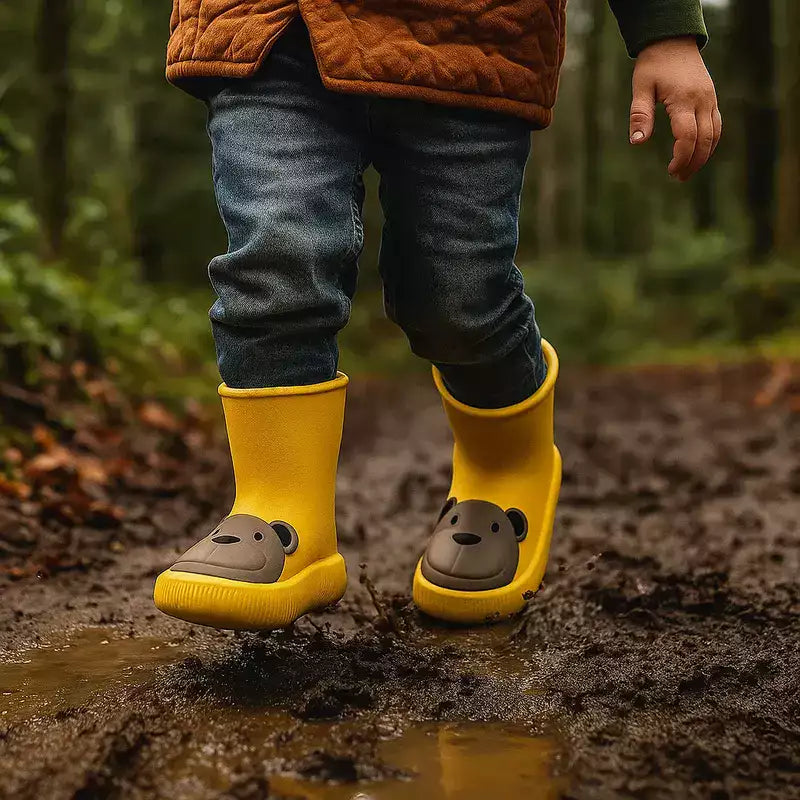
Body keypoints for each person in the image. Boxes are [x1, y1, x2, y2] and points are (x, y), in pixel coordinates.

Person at [154, 1, 720, 628]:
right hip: (270, 26)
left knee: (457, 299)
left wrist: (664, 31)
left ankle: (505, 470)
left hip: (470, 36)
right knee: (277, 257)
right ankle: (279, 509)